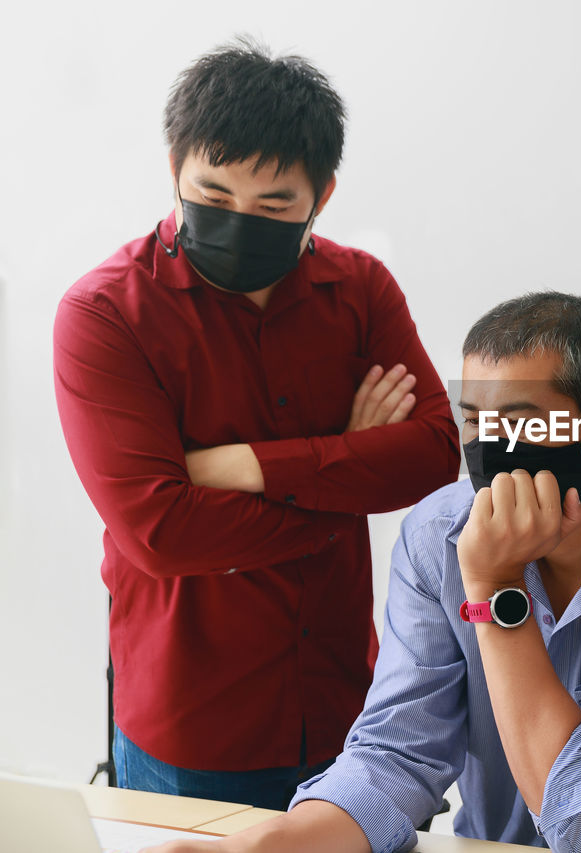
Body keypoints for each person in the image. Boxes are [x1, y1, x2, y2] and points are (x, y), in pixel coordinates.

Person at [144, 291, 581, 853]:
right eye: (474, 421)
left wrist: (495, 590)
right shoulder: (438, 533)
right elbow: (395, 754)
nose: (492, 448)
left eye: (520, 423)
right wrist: (264, 847)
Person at [52, 38, 460, 810]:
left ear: (323, 195)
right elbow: (161, 531)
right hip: (195, 723)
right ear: (174, 167)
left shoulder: (361, 289)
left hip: (349, 709)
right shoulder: (106, 314)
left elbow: (436, 454)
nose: (241, 221)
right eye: (213, 194)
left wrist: (242, 465)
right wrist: (345, 469)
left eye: (274, 205)